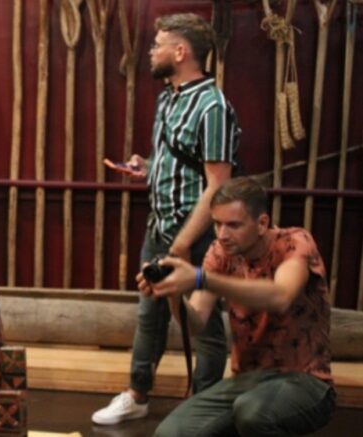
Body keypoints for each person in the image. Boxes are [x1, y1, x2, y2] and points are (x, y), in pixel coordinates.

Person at [92, 13, 240, 425]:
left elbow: (218, 185)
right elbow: (178, 159)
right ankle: (137, 394)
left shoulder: (213, 106)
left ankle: (203, 407)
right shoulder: (167, 99)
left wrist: (182, 243)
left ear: (180, 51)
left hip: (196, 236)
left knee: (202, 327)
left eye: (158, 44)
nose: (151, 51)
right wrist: (147, 165)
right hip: (159, 228)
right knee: (150, 314)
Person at [145, 177, 335, 436]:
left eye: (233, 225)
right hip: (247, 381)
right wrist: (173, 292)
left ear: (262, 223)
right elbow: (196, 323)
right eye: (217, 224)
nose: (222, 235)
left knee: (253, 413)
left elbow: (280, 296)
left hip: (305, 380)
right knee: (171, 433)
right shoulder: (220, 253)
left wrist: (201, 278)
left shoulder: (294, 242)